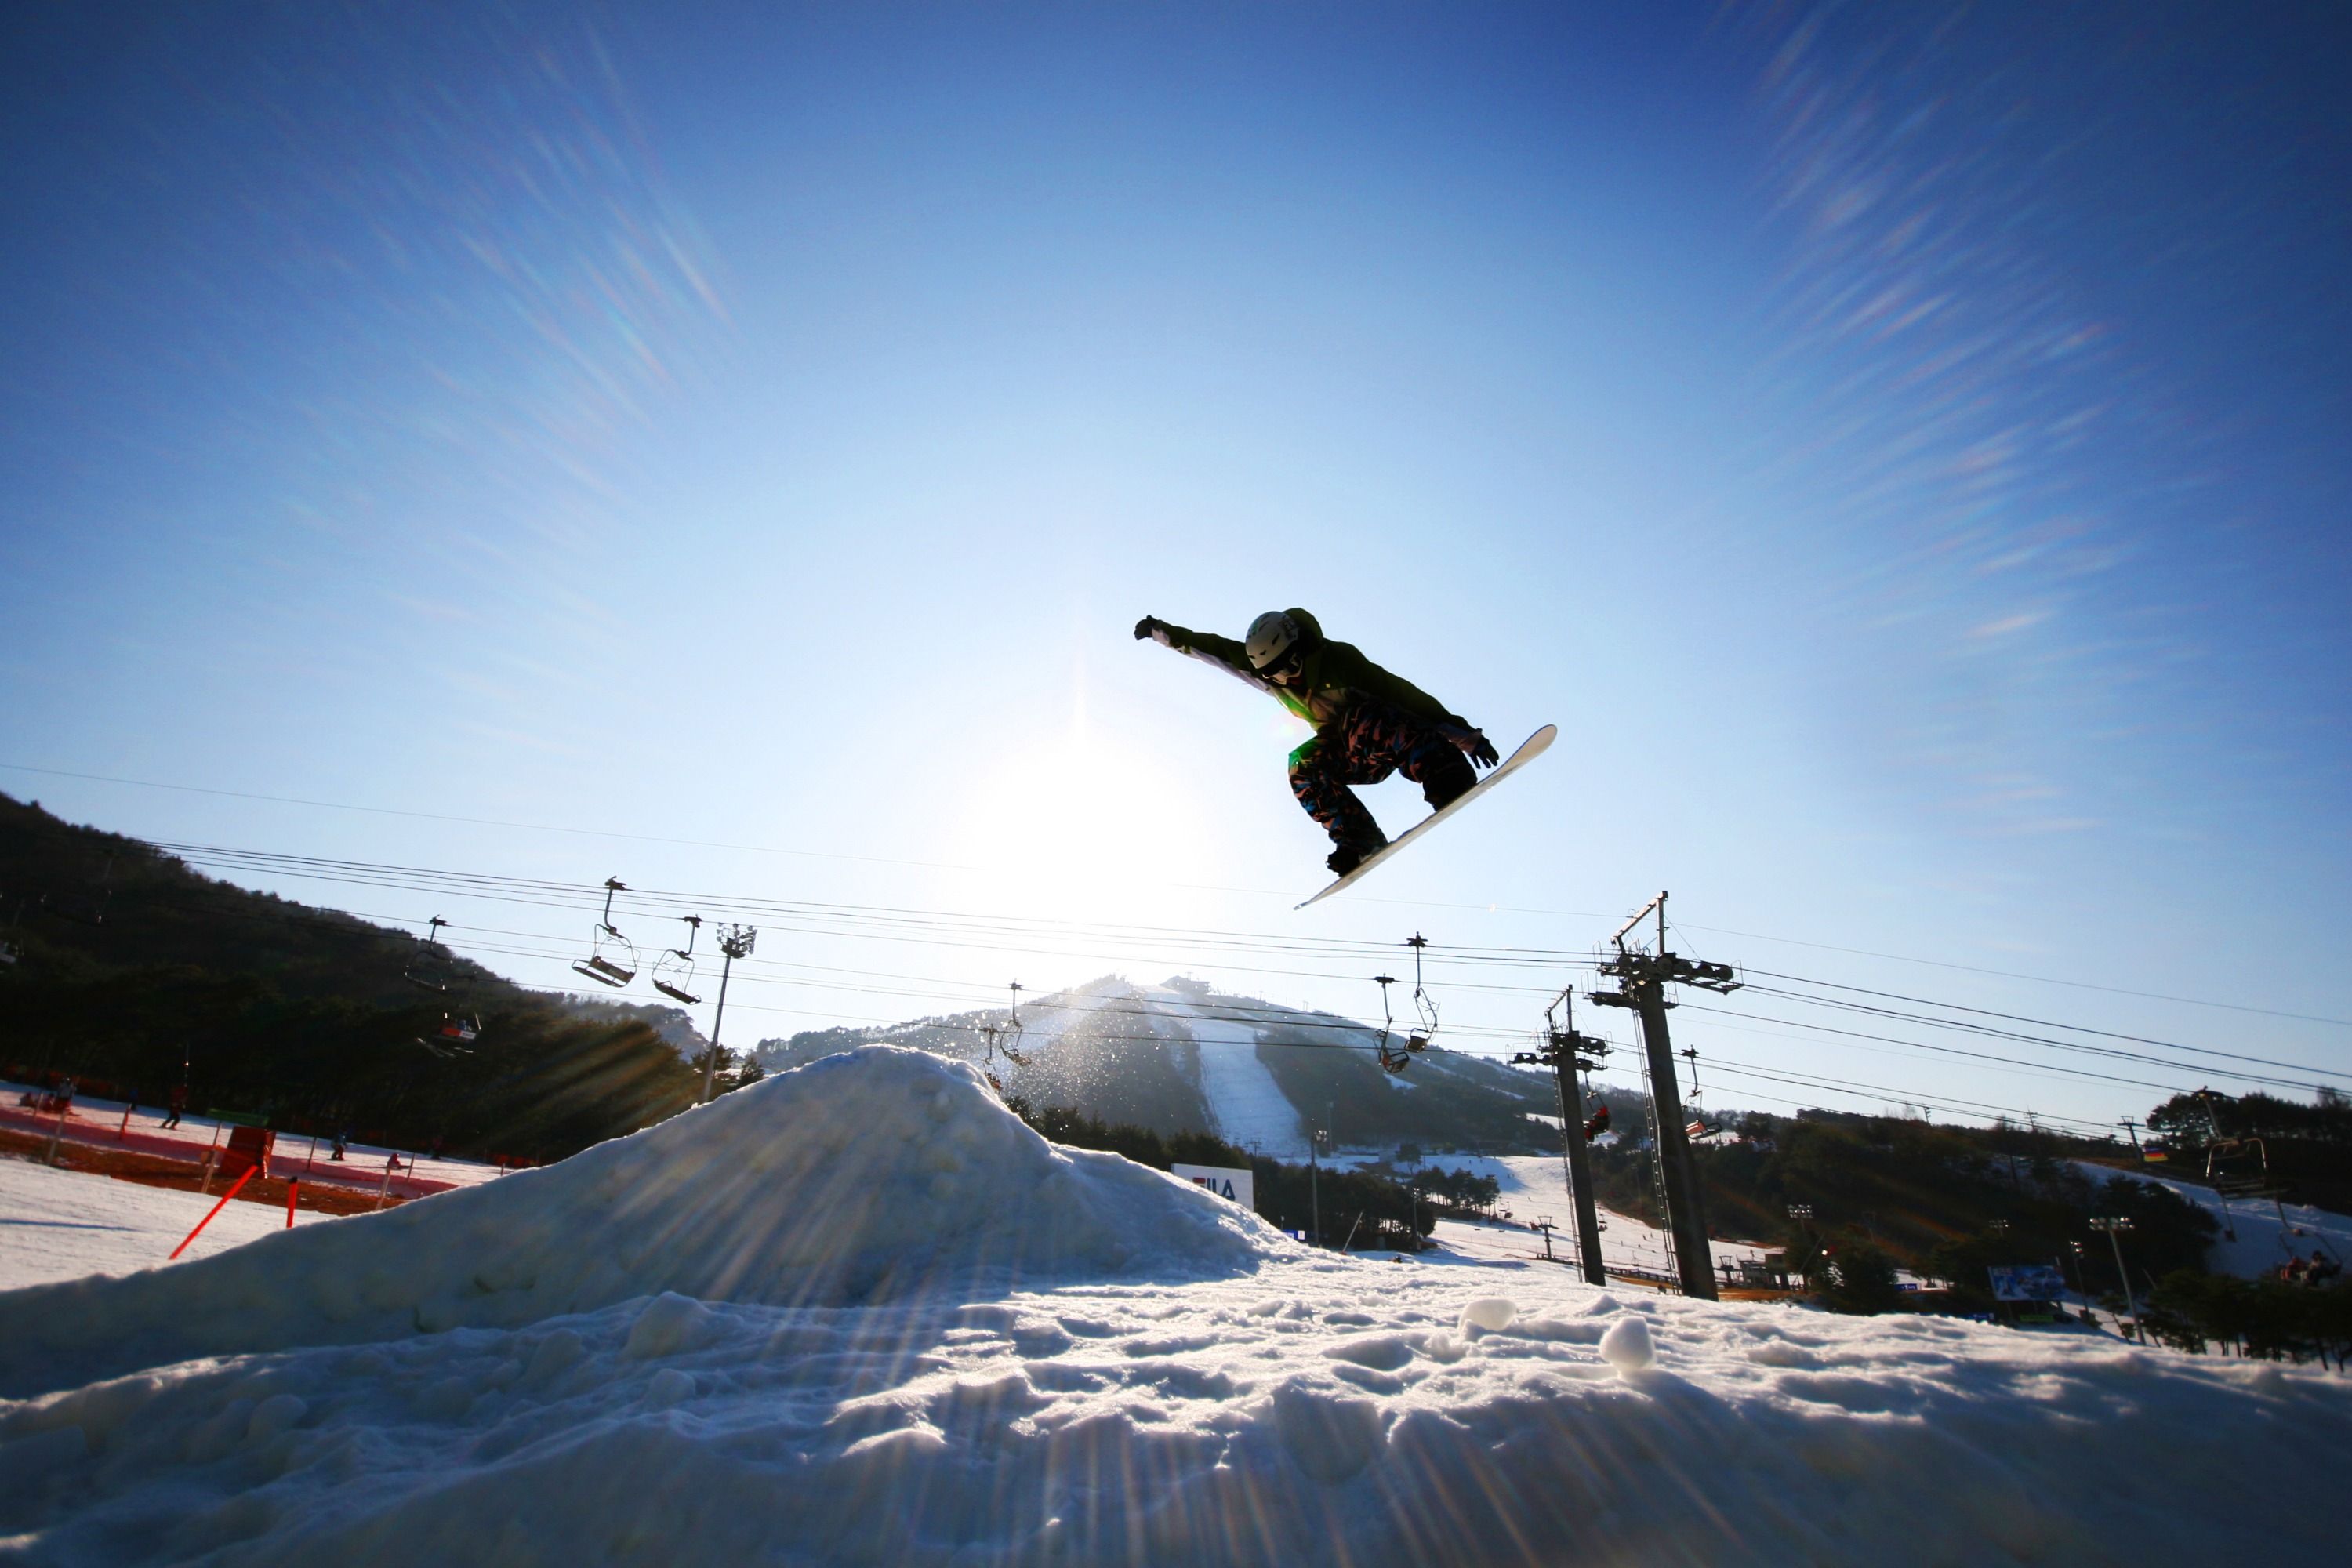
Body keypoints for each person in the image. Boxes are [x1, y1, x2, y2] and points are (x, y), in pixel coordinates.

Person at [1136, 608, 1499, 873]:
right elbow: (1210, 648)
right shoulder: (1277, 680)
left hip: (1394, 734)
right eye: (1273, 675)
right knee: (1301, 762)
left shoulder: (1341, 662)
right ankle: (1359, 840)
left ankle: (1444, 774)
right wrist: (1160, 632)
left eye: (1289, 668)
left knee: (1362, 718)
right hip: (1351, 756)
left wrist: (1462, 735)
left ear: (1303, 651)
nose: (1285, 679)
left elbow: (1404, 695)